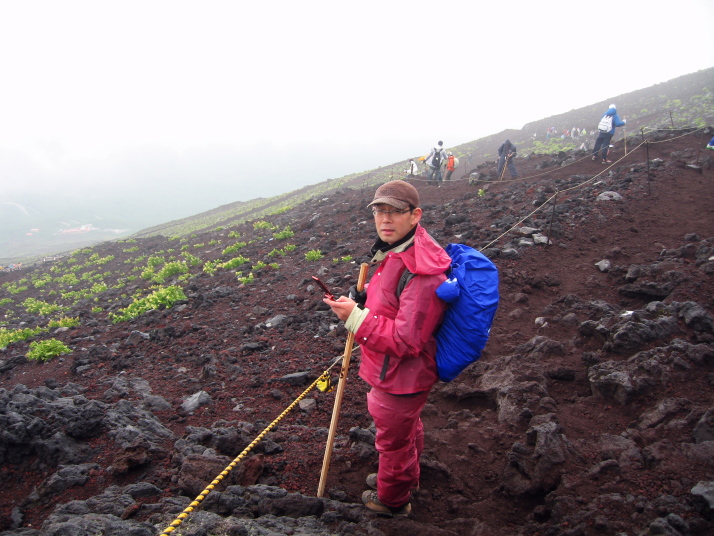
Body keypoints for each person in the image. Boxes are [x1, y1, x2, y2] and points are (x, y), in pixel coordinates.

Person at [323, 180, 451, 517]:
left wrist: (356, 319)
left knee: (392, 442)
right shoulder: (398, 248)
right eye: (380, 211)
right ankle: (407, 479)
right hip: (395, 373)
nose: (385, 219)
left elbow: (407, 341)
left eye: (395, 212)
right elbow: (390, 300)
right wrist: (361, 301)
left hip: (401, 376)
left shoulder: (422, 272)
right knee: (407, 430)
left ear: (415, 215)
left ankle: (393, 501)